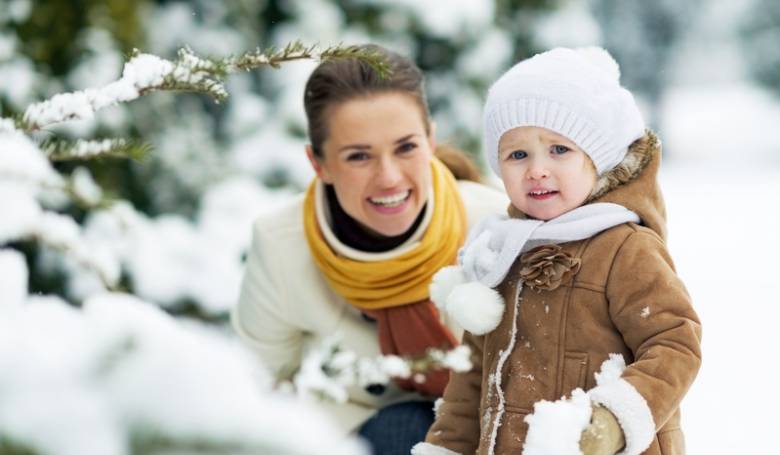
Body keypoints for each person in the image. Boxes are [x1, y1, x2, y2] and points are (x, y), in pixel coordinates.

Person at [413, 47, 702, 455]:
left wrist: (615, 419)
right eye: (518, 154)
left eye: (559, 150)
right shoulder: (502, 252)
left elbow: (675, 343)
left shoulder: (624, 248)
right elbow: (472, 381)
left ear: (597, 159)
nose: (536, 169)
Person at [231, 44, 508, 454]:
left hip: (494, 428)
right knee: (408, 429)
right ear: (318, 163)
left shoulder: (496, 223)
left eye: (406, 147)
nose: (390, 178)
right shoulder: (282, 248)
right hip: (366, 434)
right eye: (359, 156)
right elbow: (258, 391)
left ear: (430, 140)